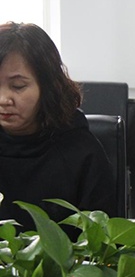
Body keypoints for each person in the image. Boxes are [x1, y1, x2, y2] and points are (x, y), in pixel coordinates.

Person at [0, 22, 115, 240]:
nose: (4, 99)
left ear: (47, 86)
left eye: (18, 86)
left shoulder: (81, 151)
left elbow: (104, 243)